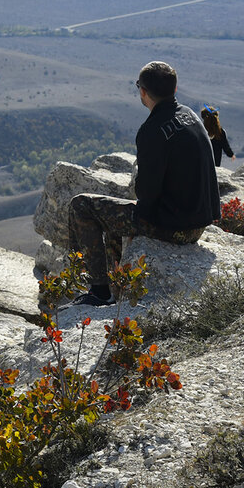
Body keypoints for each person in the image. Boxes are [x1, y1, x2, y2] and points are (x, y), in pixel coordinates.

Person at [67, 61, 221, 306]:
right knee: (112, 214)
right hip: (200, 222)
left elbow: (146, 195)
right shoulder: (190, 115)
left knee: (81, 205)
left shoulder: (152, 130)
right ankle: (115, 282)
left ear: (143, 92)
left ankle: (100, 291)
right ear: (175, 88)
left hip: (176, 229)